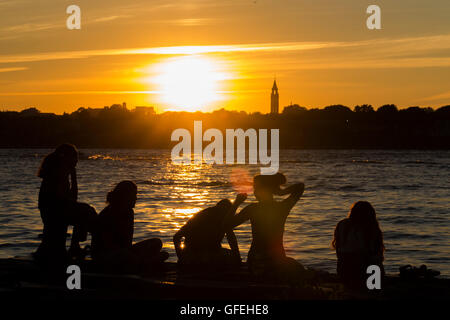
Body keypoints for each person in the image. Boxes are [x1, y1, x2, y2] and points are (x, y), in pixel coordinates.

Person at [228, 173, 309, 283]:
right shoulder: (282, 207)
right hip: (277, 262)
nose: (254, 191)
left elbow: (226, 225)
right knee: (300, 270)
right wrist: (280, 192)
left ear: (263, 190)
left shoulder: (253, 209)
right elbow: (300, 187)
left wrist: (236, 203)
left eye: (256, 188)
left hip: (256, 262)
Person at [35, 144, 97, 265]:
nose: (77, 161)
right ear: (66, 158)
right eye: (75, 157)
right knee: (87, 211)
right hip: (55, 213)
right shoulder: (57, 174)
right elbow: (64, 201)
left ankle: (75, 246)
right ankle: (76, 246)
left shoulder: (62, 173)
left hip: (57, 211)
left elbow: (71, 200)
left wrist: (73, 177)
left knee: (87, 211)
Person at [91, 181, 169, 274]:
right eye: (134, 195)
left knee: (157, 242)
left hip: (124, 252)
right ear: (125, 196)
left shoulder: (129, 212)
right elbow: (106, 245)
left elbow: (128, 242)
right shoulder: (108, 213)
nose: (136, 198)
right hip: (105, 256)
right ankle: (143, 264)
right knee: (126, 255)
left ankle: (143, 262)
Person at [173, 194, 247, 268]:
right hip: (198, 256)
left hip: (197, 255)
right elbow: (176, 237)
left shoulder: (206, 215)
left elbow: (176, 237)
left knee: (230, 256)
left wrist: (181, 257)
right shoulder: (210, 217)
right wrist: (182, 258)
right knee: (230, 257)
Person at [332, 201, 385, 289]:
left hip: (344, 270)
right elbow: (375, 254)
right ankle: (374, 288)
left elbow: (338, 250)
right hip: (363, 270)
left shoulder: (342, 224)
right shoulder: (370, 227)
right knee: (375, 264)